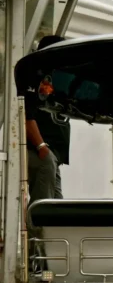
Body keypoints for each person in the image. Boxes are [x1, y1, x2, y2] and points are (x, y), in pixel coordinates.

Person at [26, 35, 69, 204]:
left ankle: (51, 229)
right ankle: (37, 230)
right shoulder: (35, 78)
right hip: (41, 151)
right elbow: (26, 115)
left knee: (57, 204)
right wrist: (42, 147)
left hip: (52, 154)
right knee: (44, 204)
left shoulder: (56, 78)